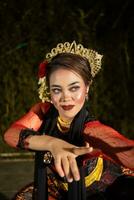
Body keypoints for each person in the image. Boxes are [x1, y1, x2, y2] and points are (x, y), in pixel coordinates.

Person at [4, 41, 134, 200]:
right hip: (62, 189)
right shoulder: (43, 112)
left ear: (87, 88)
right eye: (57, 90)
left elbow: (124, 149)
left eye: (74, 88)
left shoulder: (91, 129)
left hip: (104, 190)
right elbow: (11, 135)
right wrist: (51, 143)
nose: (65, 97)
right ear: (49, 90)